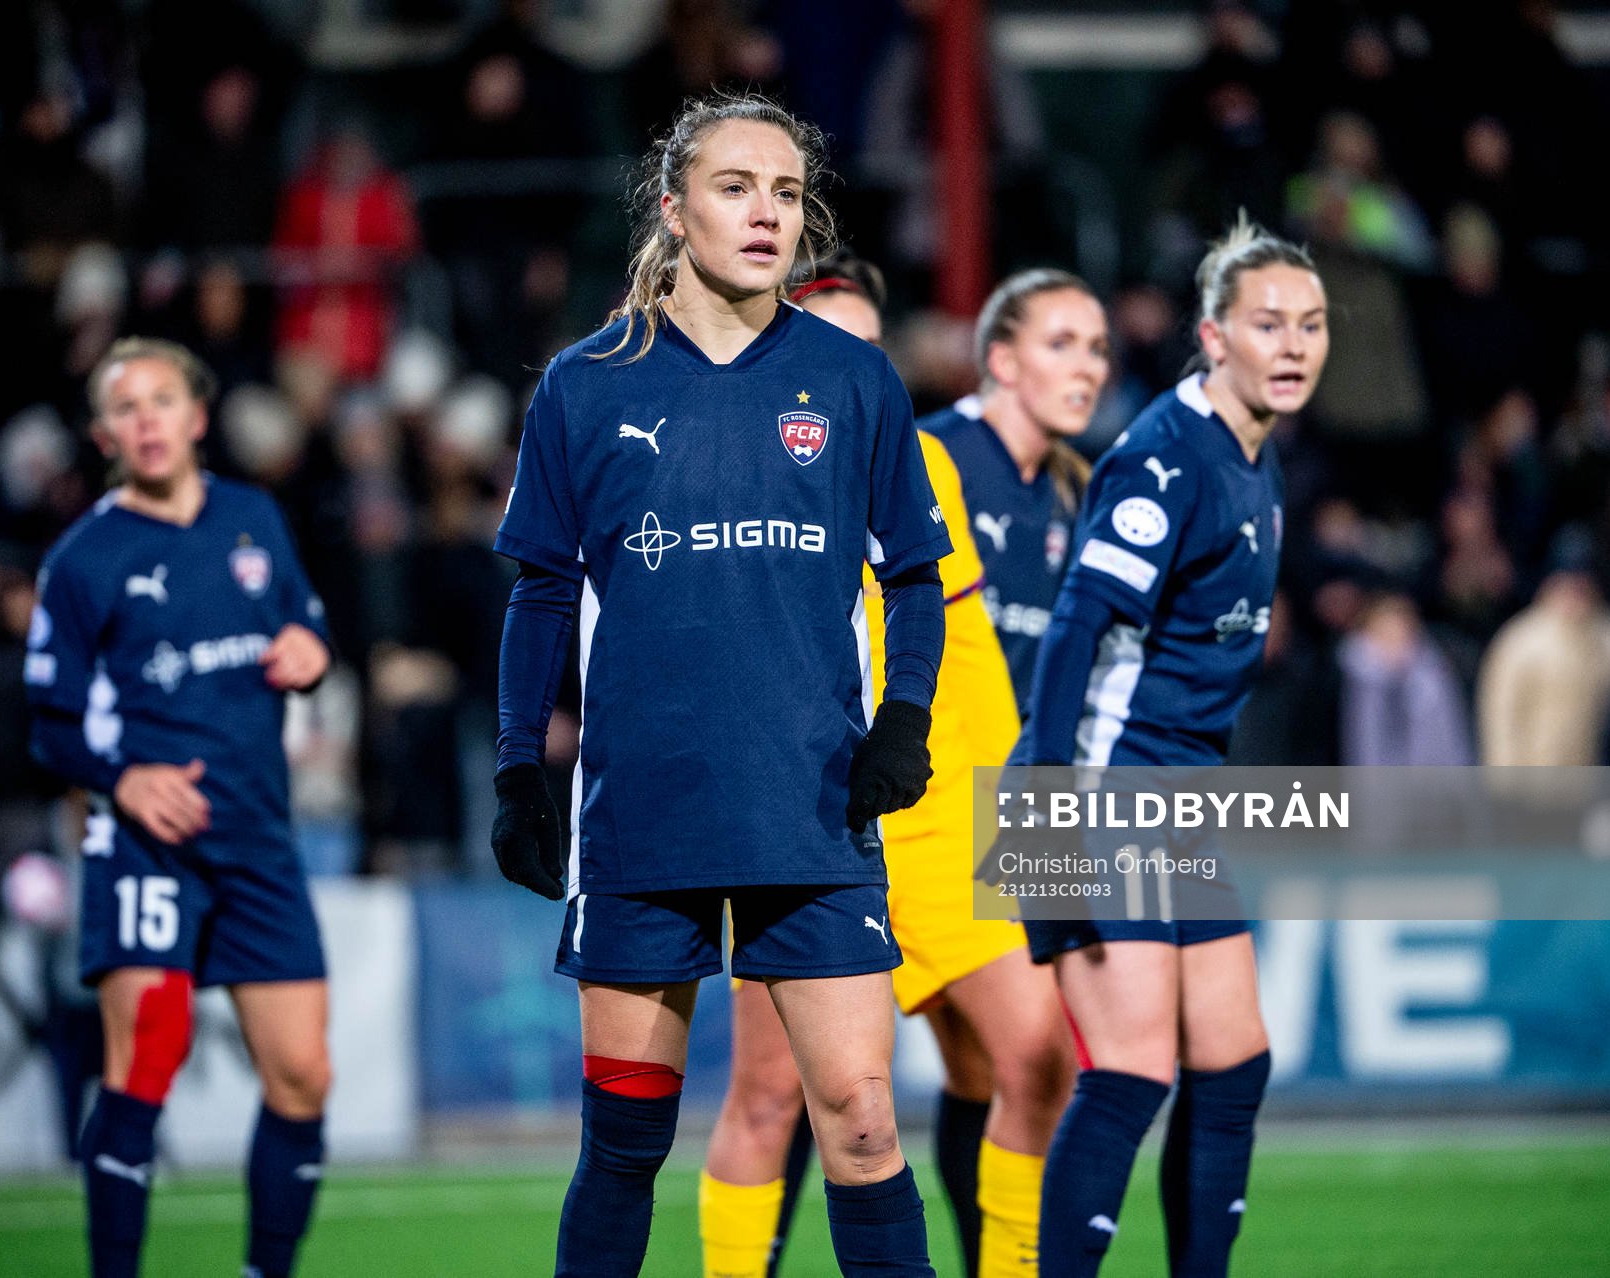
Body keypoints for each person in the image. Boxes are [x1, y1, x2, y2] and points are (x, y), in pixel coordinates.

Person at [489, 93, 949, 1278]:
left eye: (788, 193)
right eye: (737, 187)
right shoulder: (587, 384)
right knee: (626, 1141)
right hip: (646, 808)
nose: (766, 214)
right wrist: (514, 769)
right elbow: (540, 593)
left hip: (813, 806)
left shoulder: (855, 381)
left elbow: (911, 578)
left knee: (859, 1120)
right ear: (673, 205)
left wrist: (903, 719)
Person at [698, 257, 1076, 1278]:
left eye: (874, 348)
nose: (857, 366)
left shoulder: (923, 464)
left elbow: (969, 663)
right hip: (806, 820)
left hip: (950, 816)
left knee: (1038, 1058)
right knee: (775, 1099)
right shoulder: (731, 475)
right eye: (835, 345)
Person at [1010, 216, 1330, 1277]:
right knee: (1135, 1071)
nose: (1292, 345)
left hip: (1179, 796)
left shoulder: (1255, 458)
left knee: (1234, 1064)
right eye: (1268, 323)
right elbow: (1072, 632)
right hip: (1104, 788)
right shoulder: (1164, 458)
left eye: (1312, 326)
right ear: (1213, 335)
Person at [24, 337, 334, 1278]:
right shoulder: (83, 558)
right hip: (144, 843)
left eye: (163, 401)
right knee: (147, 1058)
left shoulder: (253, 519)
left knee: (302, 1077)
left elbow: (305, 621)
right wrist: (121, 779)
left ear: (198, 419)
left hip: (256, 837)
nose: (146, 420)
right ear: (103, 433)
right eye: (126, 407)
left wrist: (309, 649)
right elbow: (49, 721)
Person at [924, 269, 1111, 707]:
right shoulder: (932, 458)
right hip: (940, 759)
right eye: (1060, 345)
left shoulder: (1080, 486)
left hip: (1024, 761)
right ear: (1003, 361)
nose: (1087, 369)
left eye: (1098, 349)